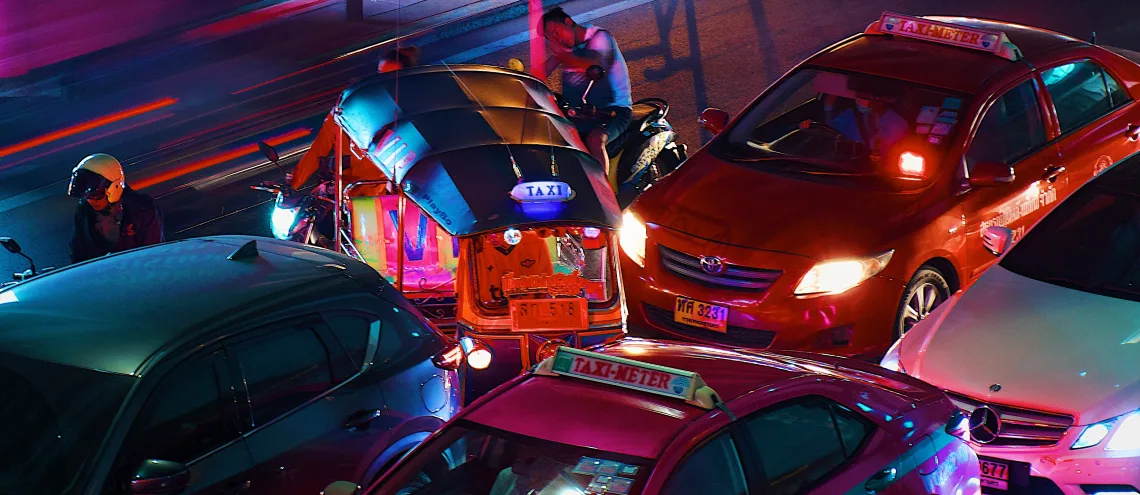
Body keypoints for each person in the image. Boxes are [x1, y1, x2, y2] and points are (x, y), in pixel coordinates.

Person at [290, 46, 419, 194]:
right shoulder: (347, 110)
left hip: (386, 200)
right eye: (380, 74)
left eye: (390, 77)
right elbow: (319, 149)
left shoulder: (409, 114)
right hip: (342, 196)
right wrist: (293, 183)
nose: (382, 82)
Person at [541, 7, 632, 190]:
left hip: (612, 112)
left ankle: (603, 196)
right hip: (581, 112)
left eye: (556, 32)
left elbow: (596, 62)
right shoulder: (568, 51)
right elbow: (540, 73)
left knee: (595, 139)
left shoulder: (600, 38)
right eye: (552, 39)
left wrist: (562, 55)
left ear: (568, 22)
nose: (558, 40)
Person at [68, 153, 164, 263]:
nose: (91, 201)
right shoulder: (84, 211)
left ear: (114, 188)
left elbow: (153, 253)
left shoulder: (142, 208)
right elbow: (78, 253)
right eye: (87, 197)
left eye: (95, 196)